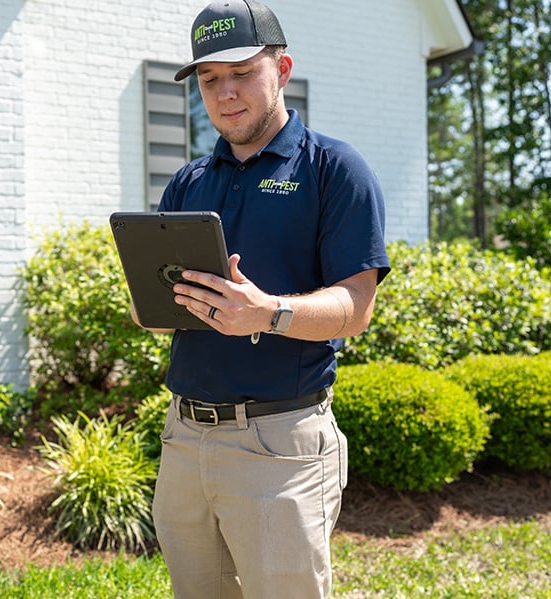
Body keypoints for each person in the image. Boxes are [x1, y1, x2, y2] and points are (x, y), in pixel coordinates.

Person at [132, 1, 390, 597]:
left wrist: (268, 312)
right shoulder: (190, 182)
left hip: (278, 444)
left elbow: (356, 307)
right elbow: (155, 313)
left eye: (242, 72)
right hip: (184, 438)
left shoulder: (334, 169)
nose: (225, 93)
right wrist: (151, 301)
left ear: (283, 68)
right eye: (209, 79)